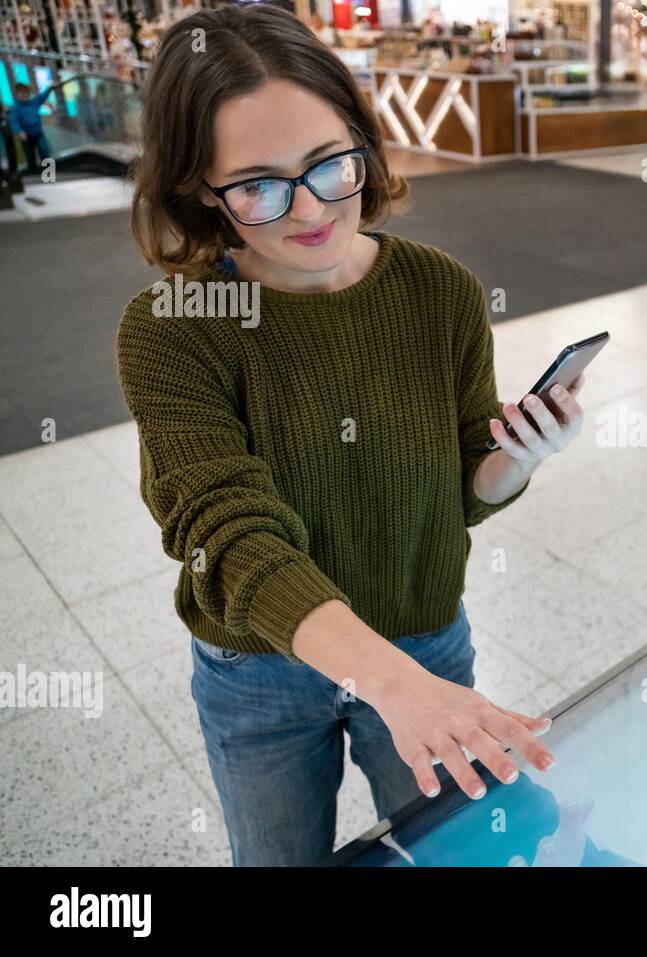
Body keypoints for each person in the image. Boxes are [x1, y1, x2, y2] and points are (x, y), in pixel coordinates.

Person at [117, 3, 583, 865]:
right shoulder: (174, 325)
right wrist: (395, 685)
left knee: (462, 855)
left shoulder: (439, 290)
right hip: (260, 671)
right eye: (257, 184)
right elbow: (230, 537)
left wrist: (516, 456)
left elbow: (462, 492)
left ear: (363, 141)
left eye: (331, 163)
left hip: (422, 631)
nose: (311, 209)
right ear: (197, 191)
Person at [8, 82, 55, 176]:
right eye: (20, 93)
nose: (23, 95)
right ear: (17, 94)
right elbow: (14, 121)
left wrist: (50, 88)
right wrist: (19, 131)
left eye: (24, 92)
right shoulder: (16, 107)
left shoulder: (34, 102)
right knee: (30, 156)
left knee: (44, 151)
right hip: (26, 135)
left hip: (38, 133)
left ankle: (50, 173)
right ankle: (34, 174)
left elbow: (43, 95)